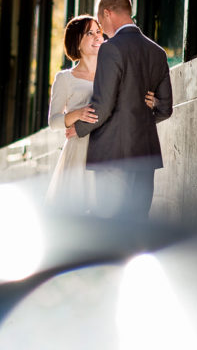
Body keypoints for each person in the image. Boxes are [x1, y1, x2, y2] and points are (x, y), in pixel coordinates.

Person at [73, 0, 173, 220]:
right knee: (137, 228)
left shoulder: (111, 49)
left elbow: (104, 105)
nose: (102, 33)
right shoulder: (158, 53)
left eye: (100, 23)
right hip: (145, 157)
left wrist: (77, 128)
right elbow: (165, 108)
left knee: (112, 229)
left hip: (113, 157)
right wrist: (150, 107)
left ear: (107, 13)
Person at [45, 15, 156, 213]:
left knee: (109, 214)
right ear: (77, 42)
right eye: (90, 33)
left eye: (99, 32)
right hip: (79, 152)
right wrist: (77, 114)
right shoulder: (65, 78)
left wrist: (150, 101)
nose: (98, 37)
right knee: (77, 217)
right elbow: (53, 122)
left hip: (111, 150)